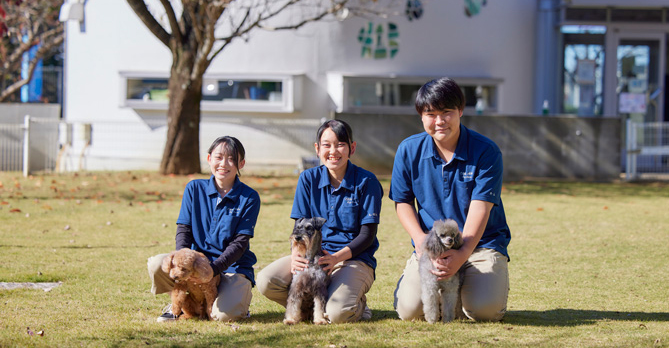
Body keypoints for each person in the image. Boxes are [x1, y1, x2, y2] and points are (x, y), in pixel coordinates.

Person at [389, 77, 511, 322]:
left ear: (460, 111)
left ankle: (482, 289)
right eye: (430, 114)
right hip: (432, 247)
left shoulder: (486, 151)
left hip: (479, 244)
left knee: (483, 310)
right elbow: (402, 202)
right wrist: (421, 241)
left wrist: (462, 252)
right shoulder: (408, 150)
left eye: (447, 112)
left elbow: (481, 208)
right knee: (410, 312)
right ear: (421, 116)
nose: (439, 121)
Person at [257, 119, 383, 323]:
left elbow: (367, 235)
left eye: (340, 144)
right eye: (327, 145)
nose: (333, 151)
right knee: (266, 281)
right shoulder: (308, 179)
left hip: (352, 259)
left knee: (337, 313)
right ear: (317, 149)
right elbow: (299, 224)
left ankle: (356, 305)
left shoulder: (367, 182)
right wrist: (295, 254)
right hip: (312, 257)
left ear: (352, 147)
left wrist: (336, 258)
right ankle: (311, 306)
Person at [147, 136, 261, 322]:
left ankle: (238, 305)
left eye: (231, 159)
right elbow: (184, 229)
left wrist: (212, 270)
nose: (224, 164)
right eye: (219, 157)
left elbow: (240, 243)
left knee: (225, 316)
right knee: (156, 264)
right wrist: (184, 262)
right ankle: (178, 305)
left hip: (232, 267)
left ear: (241, 163)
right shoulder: (194, 188)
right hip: (195, 263)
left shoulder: (250, 197)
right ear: (209, 159)